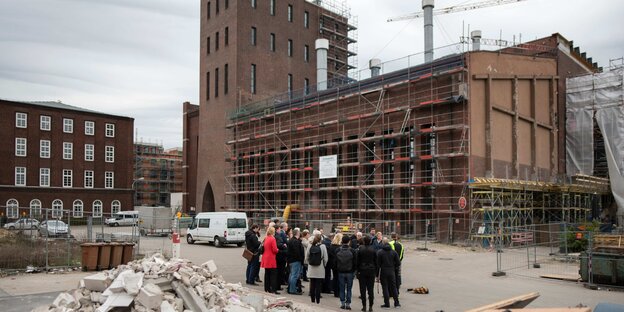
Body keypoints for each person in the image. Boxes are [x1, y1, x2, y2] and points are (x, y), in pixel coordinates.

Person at [376, 238, 400, 308]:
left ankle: (387, 304)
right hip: (391, 271)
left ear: (383, 243)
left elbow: (378, 264)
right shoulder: (393, 252)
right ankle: (396, 303)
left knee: (385, 287)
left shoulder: (380, 252)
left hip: (383, 271)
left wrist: (377, 275)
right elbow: (398, 263)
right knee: (393, 287)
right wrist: (393, 267)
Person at [336, 235, 357, 310]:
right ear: (349, 241)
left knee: (341, 288)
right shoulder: (352, 250)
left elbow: (335, 262)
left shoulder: (338, 250)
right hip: (349, 272)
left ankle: (342, 302)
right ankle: (348, 303)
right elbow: (355, 262)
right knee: (349, 288)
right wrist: (354, 271)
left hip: (341, 271)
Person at [306, 233, 328, 304]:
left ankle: (312, 300)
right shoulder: (323, 246)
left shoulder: (310, 246)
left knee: (312, 284)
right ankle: (317, 300)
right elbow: (326, 258)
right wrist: (324, 265)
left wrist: (310, 263)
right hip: (320, 268)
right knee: (318, 285)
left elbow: (307, 257)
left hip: (312, 268)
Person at [357, 236, 377, 312]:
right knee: (370, 289)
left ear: (364, 241)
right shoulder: (373, 249)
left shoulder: (360, 249)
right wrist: (376, 271)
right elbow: (376, 261)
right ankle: (371, 306)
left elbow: (357, 261)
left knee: (362, 290)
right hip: (371, 270)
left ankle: (364, 306)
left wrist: (358, 270)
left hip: (362, 270)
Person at [260, 226, 280, 294]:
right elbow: (274, 250)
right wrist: (278, 250)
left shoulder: (266, 238)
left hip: (265, 257)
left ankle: (267, 288)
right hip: (271, 258)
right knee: (273, 275)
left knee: (267, 274)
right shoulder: (272, 238)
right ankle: (273, 289)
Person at [287, 228, 304, 295]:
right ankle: (292, 290)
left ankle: (290, 288)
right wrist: (300, 259)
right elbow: (297, 252)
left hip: (291, 260)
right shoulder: (295, 241)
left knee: (291, 275)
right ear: (297, 233)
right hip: (295, 260)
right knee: (294, 275)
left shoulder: (291, 240)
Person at [330, 233, 343, 297]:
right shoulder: (340, 247)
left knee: (335, 278)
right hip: (340, 264)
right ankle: (339, 292)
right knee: (339, 278)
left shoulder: (331, 246)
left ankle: (335, 291)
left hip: (333, 264)